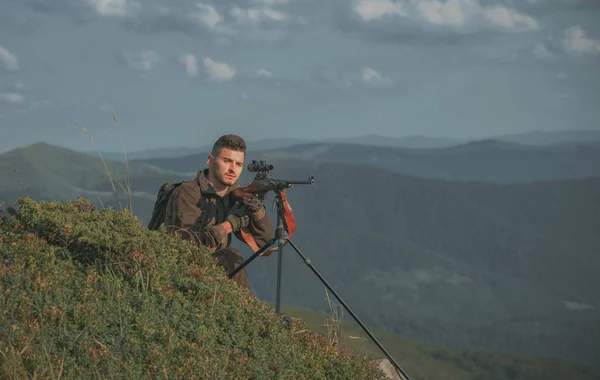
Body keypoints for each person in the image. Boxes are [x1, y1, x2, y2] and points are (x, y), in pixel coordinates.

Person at [163, 134, 273, 295]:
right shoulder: (189, 192)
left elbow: (265, 242)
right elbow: (184, 245)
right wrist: (229, 226)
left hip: (214, 274)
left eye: (238, 164)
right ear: (210, 160)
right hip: (180, 269)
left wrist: (258, 213)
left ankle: (253, 316)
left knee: (230, 258)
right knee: (230, 256)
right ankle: (253, 317)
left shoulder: (235, 196)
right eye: (227, 161)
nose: (232, 169)